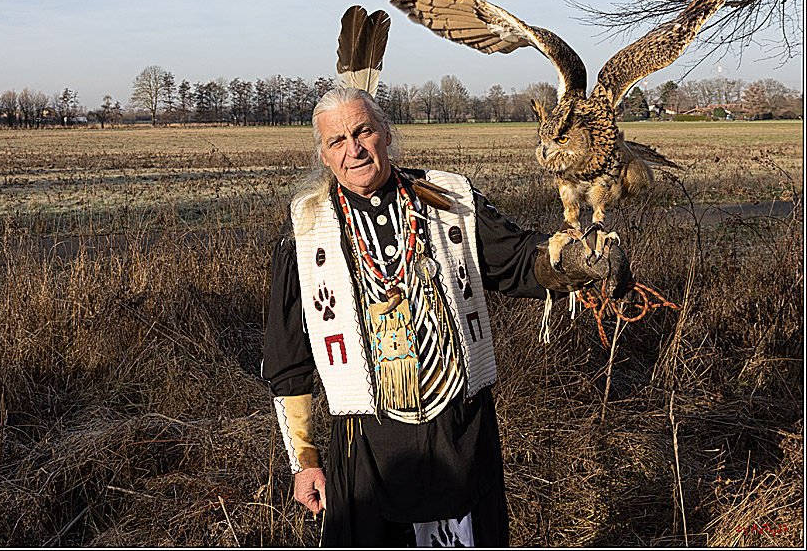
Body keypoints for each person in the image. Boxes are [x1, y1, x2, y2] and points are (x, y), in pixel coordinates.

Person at [262, 86, 629, 547]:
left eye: (363, 132)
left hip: (459, 429)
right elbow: (287, 358)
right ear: (323, 153)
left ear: (386, 135)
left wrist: (572, 262)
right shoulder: (305, 229)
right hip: (367, 444)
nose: (353, 150)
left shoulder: (448, 197)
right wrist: (305, 460)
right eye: (337, 141)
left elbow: (516, 260)